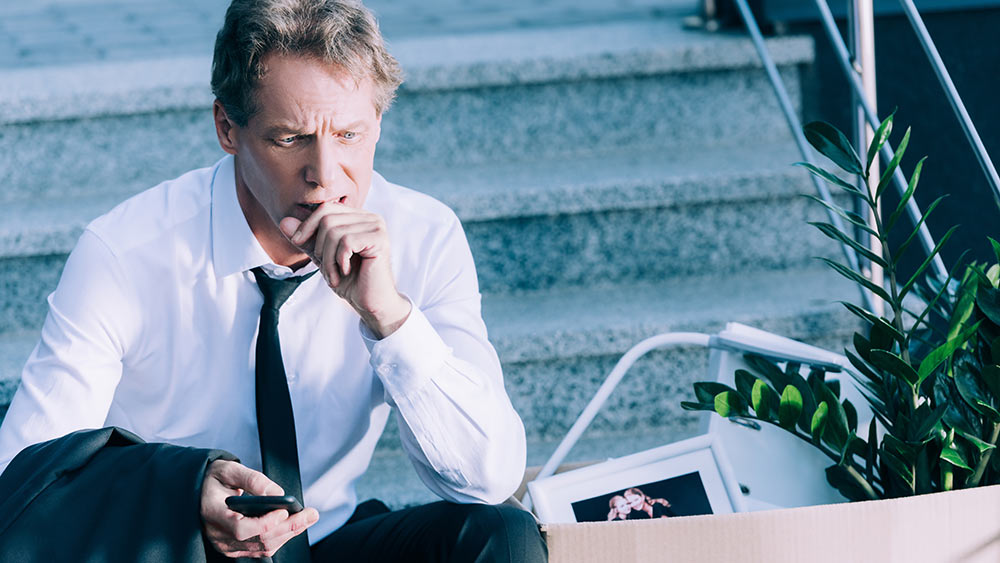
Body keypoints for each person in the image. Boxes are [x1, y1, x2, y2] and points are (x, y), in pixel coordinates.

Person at [0, 0, 546, 561]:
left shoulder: (424, 235)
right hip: (180, 546)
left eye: (350, 135)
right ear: (227, 128)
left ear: (378, 123)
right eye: (290, 139)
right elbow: (22, 481)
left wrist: (391, 318)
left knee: (501, 535)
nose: (326, 175)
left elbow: (484, 480)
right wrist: (183, 493)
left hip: (325, 538)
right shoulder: (125, 254)